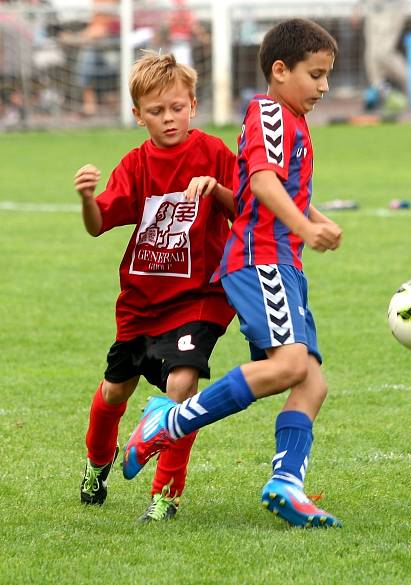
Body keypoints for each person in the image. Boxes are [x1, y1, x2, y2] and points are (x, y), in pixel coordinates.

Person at [120, 19, 344, 528]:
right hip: (261, 260)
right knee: (290, 366)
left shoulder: (292, 119)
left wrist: (314, 217)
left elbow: (256, 192)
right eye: (316, 74)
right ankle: (167, 422)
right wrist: (305, 228)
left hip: (282, 261)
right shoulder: (269, 112)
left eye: (327, 75)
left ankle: (286, 482)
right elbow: (264, 184)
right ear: (280, 70)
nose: (324, 87)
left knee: (311, 382)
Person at [74, 50, 236, 522]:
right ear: (137, 115)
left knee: (182, 385)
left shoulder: (213, 153)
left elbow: (243, 209)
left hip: (199, 298)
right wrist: (87, 198)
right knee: (113, 393)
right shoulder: (136, 164)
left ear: (193, 105)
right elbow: (98, 222)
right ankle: (97, 463)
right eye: (156, 111)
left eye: (177, 108)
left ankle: (165, 495)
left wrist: (215, 188)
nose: (169, 118)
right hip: (142, 303)